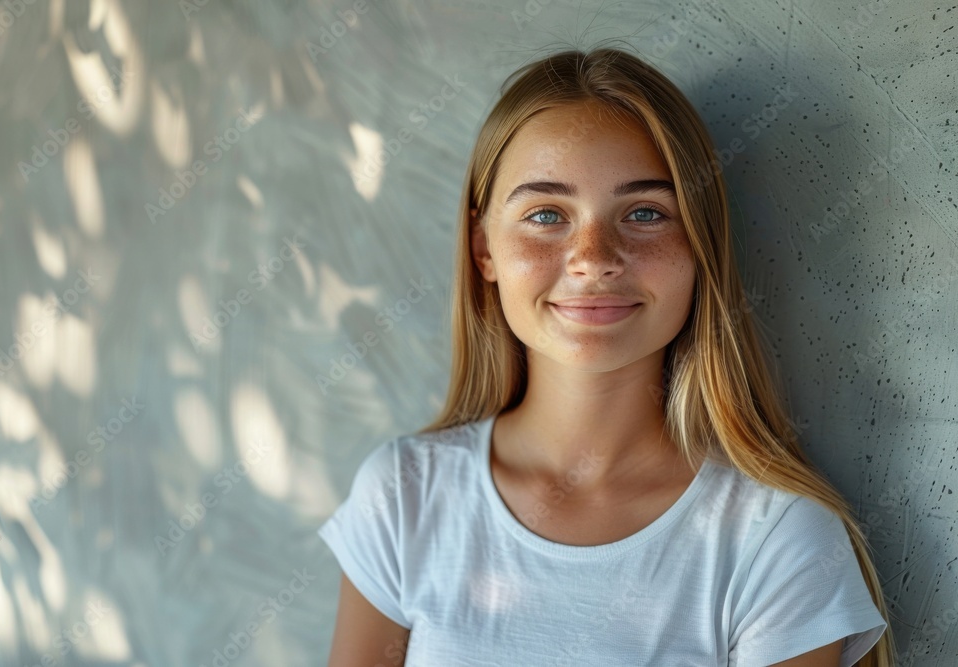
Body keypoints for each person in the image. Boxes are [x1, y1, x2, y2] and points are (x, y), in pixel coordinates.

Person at [318, 45, 895, 666]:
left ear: (700, 244)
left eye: (645, 213)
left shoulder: (778, 542)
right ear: (483, 247)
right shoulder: (405, 496)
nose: (593, 256)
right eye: (546, 215)